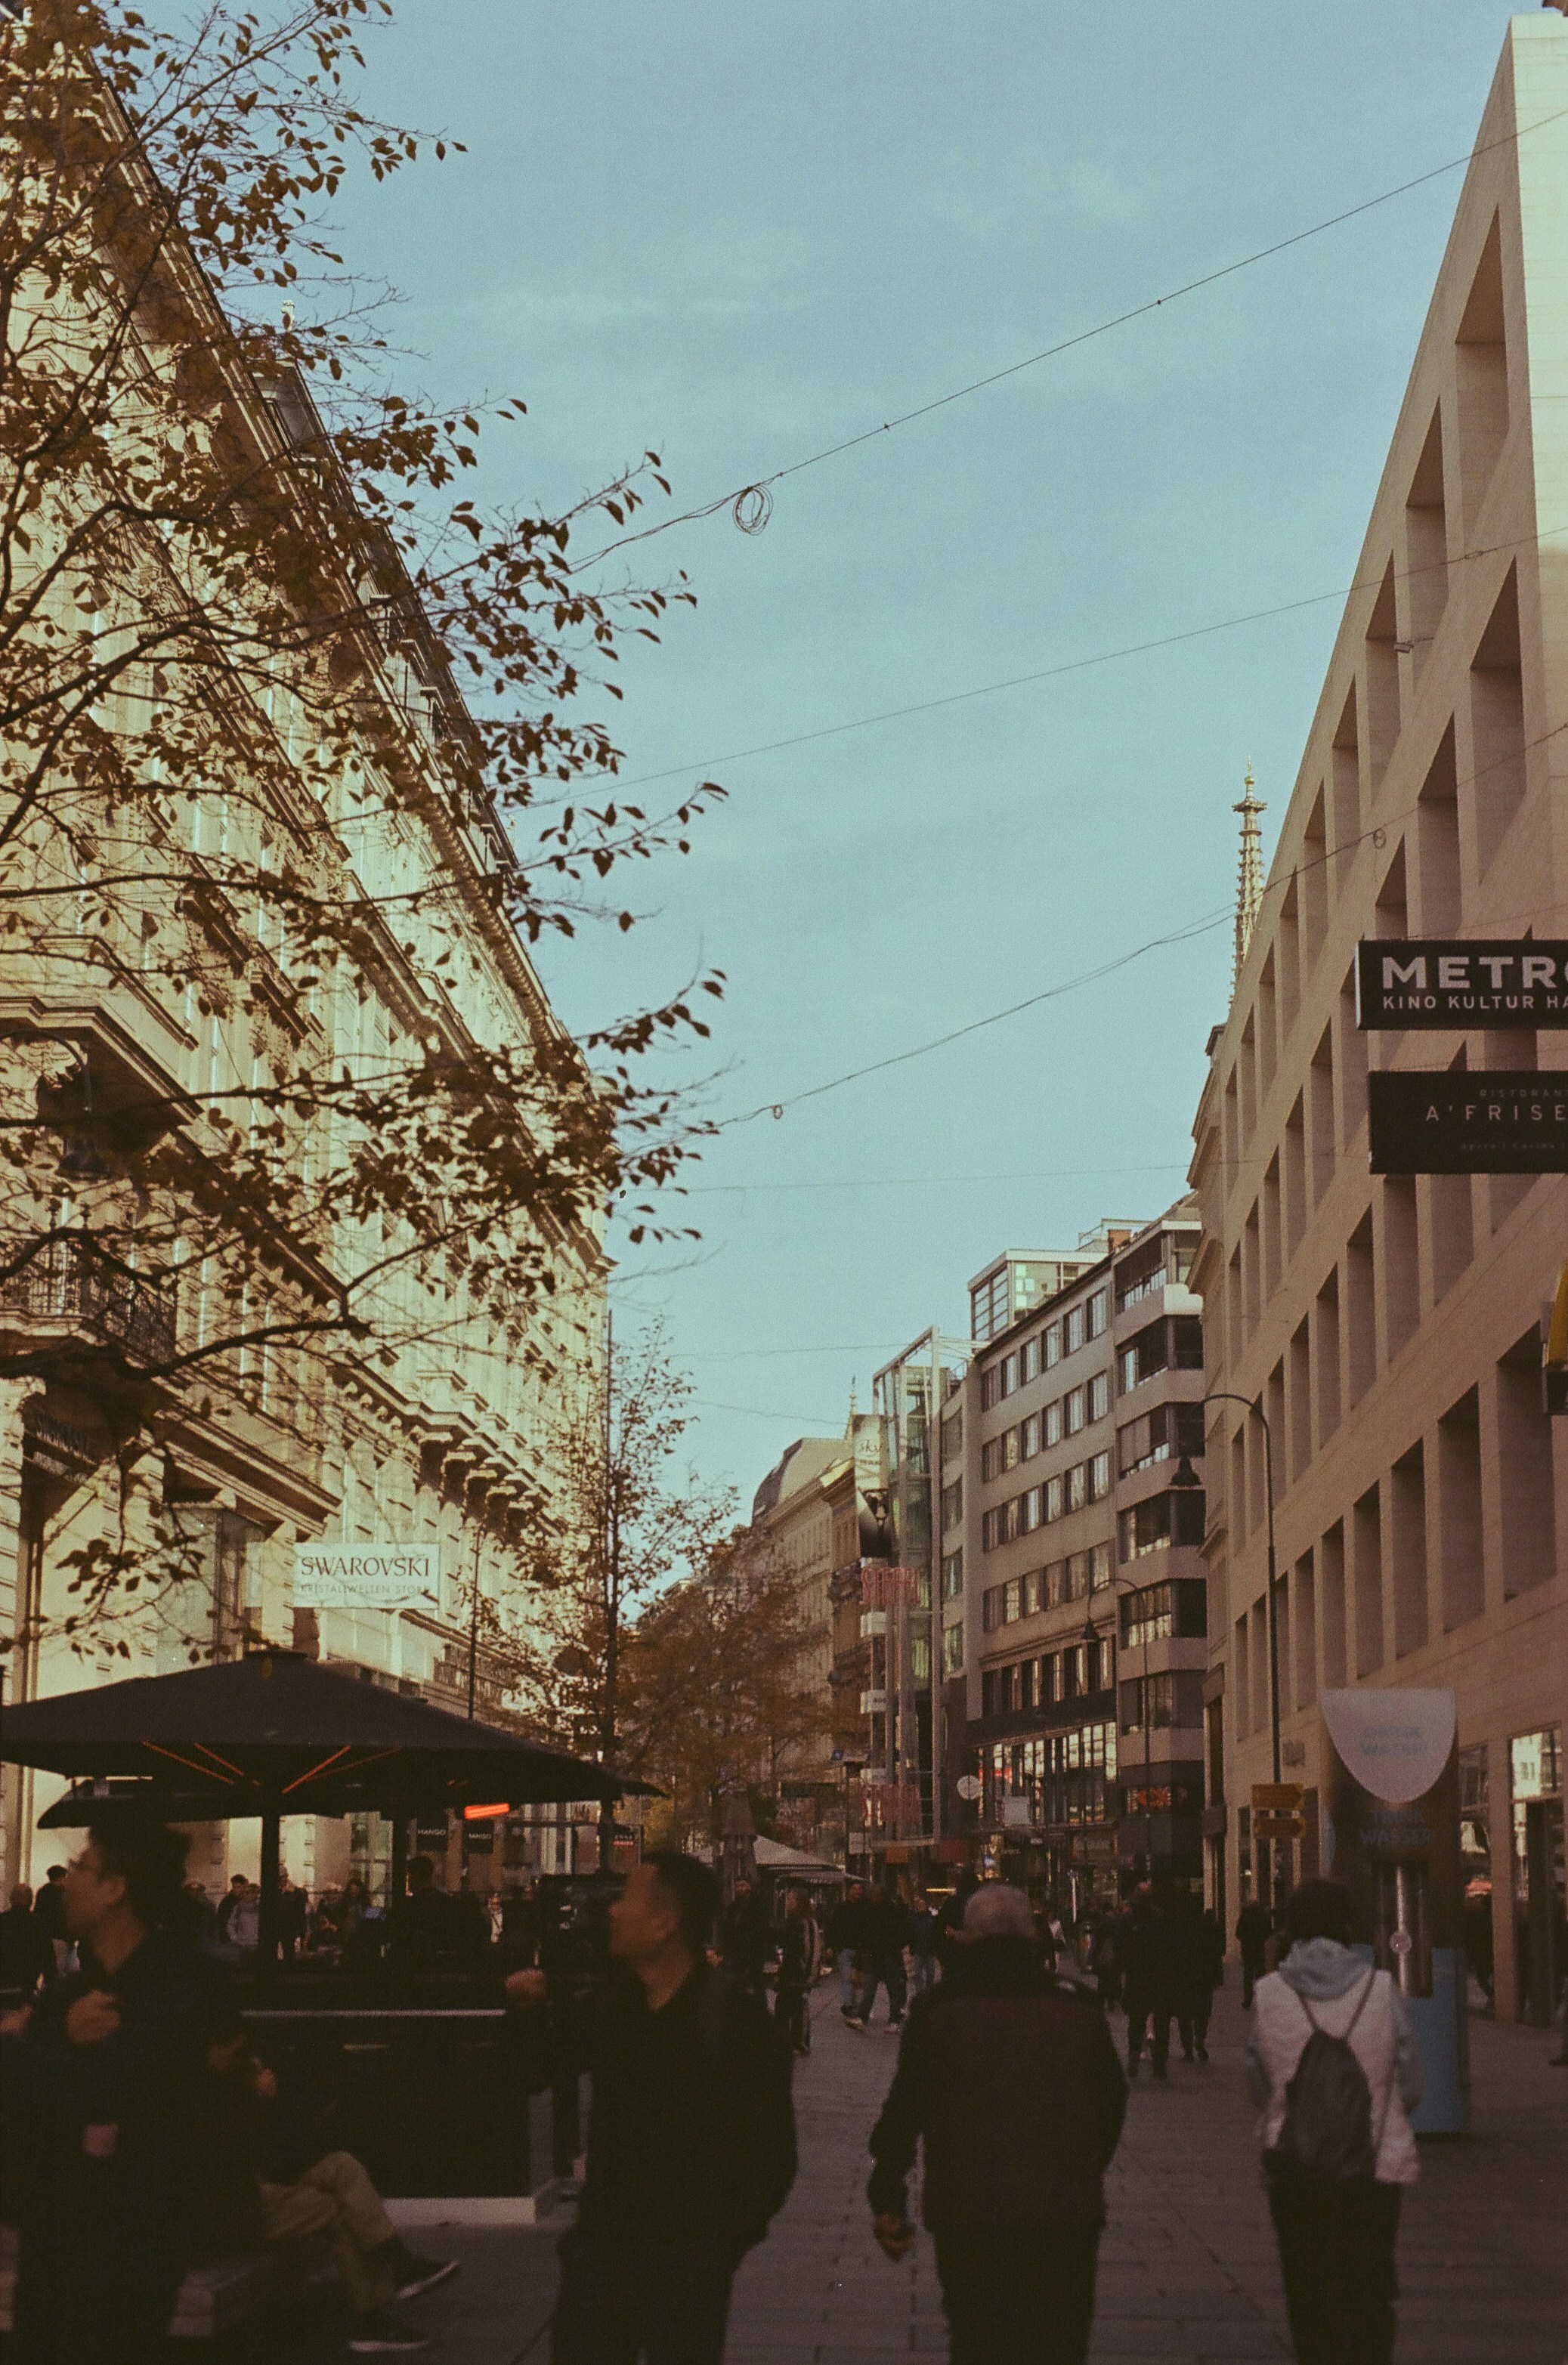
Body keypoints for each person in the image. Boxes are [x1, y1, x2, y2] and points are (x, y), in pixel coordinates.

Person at [506, 1851, 796, 2365]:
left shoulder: (732, 2020)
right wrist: (528, 2015)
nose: (613, 1912)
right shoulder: (612, 2006)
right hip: (601, 2255)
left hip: (684, 2262)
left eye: (625, 1900)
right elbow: (534, 2074)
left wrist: (716, 2248)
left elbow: (771, 2150)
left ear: (664, 1924)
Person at [868, 1883, 1127, 2365]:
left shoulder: (937, 2011)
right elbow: (1111, 2101)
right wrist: (1084, 2165)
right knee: (1059, 2340)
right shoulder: (1077, 2006)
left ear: (966, 1939)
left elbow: (904, 2111)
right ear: (1032, 1936)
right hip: (1063, 2210)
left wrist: (887, 2194)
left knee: (977, 2338)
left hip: (968, 2210)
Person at [0, 1819, 229, 2363]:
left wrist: (25, 2041)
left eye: (81, 1866)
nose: (66, 1880)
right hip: (53, 2241)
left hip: (126, 2252)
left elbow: (106, 2083)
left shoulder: (179, 1982)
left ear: (115, 1889)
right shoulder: (81, 1985)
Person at [193, 2009, 456, 2356]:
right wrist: (257, 2099)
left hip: (249, 2186)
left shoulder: (229, 2079)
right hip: (226, 2205)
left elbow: (265, 2144)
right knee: (333, 2209)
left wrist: (266, 2100)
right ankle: (368, 2316)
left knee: (341, 2166)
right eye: (233, 2050)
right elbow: (224, 2152)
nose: (238, 2058)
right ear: (211, 2047)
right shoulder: (191, 2090)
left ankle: (398, 2260)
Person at [1247, 1878, 1422, 2365]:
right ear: (1347, 1925)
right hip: (1375, 2168)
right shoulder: (1381, 1989)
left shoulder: (1267, 1994)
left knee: (1308, 2293)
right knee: (1369, 2293)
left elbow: (1259, 2085)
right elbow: (1411, 2083)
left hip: (1296, 2169)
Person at [1120, 1884, 1179, 2079]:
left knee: (1136, 2020)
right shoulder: (1160, 1919)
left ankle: (1134, 2052)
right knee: (1161, 2023)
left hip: (1137, 1977)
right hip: (1158, 1977)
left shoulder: (1129, 1920)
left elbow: (1121, 1948)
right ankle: (1159, 2064)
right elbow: (1170, 1949)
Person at [848, 1881, 911, 2030]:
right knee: (886, 1987)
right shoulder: (890, 1911)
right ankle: (890, 2019)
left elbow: (866, 1936)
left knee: (879, 1987)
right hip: (885, 1954)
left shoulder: (874, 1912)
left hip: (882, 1954)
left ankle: (878, 2018)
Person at [774, 1887, 815, 2054]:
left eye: (792, 1899)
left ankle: (799, 2042)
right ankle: (784, 2041)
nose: (788, 1903)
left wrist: (809, 1977)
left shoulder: (807, 1923)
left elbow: (812, 1950)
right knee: (783, 2007)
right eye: (788, 1899)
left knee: (796, 2008)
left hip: (799, 1974)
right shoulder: (790, 1921)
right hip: (788, 1972)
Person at [0, 1884, 57, 1996]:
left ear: (11, 1899)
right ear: (31, 1901)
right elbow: (49, 1961)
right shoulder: (39, 1925)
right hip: (26, 1989)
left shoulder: (2, 1922)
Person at [719, 1875, 769, 1999]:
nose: (739, 1889)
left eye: (742, 1885)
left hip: (753, 1954)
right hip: (736, 1954)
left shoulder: (757, 1906)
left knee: (754, 1985)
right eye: (737, 1886)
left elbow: (759, 1931)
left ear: (749, 1887)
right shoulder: (733, 1908)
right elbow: (727, 1930)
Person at [825, 1878, 868, 2017]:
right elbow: (832, 1927)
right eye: (855, 1889)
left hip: (860, 1950)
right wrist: (831, 1945)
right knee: (847, 1978)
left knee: (858, 1980)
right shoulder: (841, 1908)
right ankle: (850, 2005)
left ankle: (854, 2005)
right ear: (849, 1891)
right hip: (844, 1949)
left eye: (859, 1889)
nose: (857, 1892)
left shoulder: (865, 1909)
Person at [1187, 1904, 1225, 2061]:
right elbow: (1219, 1952)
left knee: (1191, 2008)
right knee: (1204, 2007)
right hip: (1207, 1974)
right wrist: (1218, 1976)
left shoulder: (1191, 1931)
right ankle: (1200, 2036)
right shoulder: (1214, 1929)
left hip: (1193, 1974)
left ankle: (1191, 2042)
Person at [30, 1865, 70, 1974]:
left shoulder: (43, 1892)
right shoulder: (63, 1894)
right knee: (59, 1971)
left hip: (45, 1936)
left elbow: (38, 1913)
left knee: (47, 1970)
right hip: (60, 1936)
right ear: (60, 1878)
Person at [1236, 1895, 1272, 2008]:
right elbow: (1268, 1932)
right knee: (1260, 1976)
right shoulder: (1263, 1917)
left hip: (1247, 1950)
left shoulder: (1244, 1917)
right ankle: (1261, 2000)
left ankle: (1248, 2000)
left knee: (1247, 1976)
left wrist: (1246, 1939)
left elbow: (1238, 1933)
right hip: (1259, 1949)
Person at [908, 1893, 939, 1994]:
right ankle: (920, 1994)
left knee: (931, 1974)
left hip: (929, 1949)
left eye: (923, 1904)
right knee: (918, 1975)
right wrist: (912, 1948)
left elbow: (935, 1932)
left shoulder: (931, 1918)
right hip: (918, 1950)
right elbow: (911, 1934)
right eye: (919, 1905)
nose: (921, 1906)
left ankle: (929, 1993)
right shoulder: (913, 1918)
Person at [215, 1870, 250, 1943]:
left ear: (244, 1886)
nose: (236, 1890)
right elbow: (222, 1922)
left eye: (239, 1887)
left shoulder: (248, 1900)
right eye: (234, 1887)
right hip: (231, 1939)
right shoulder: (227, 1902)